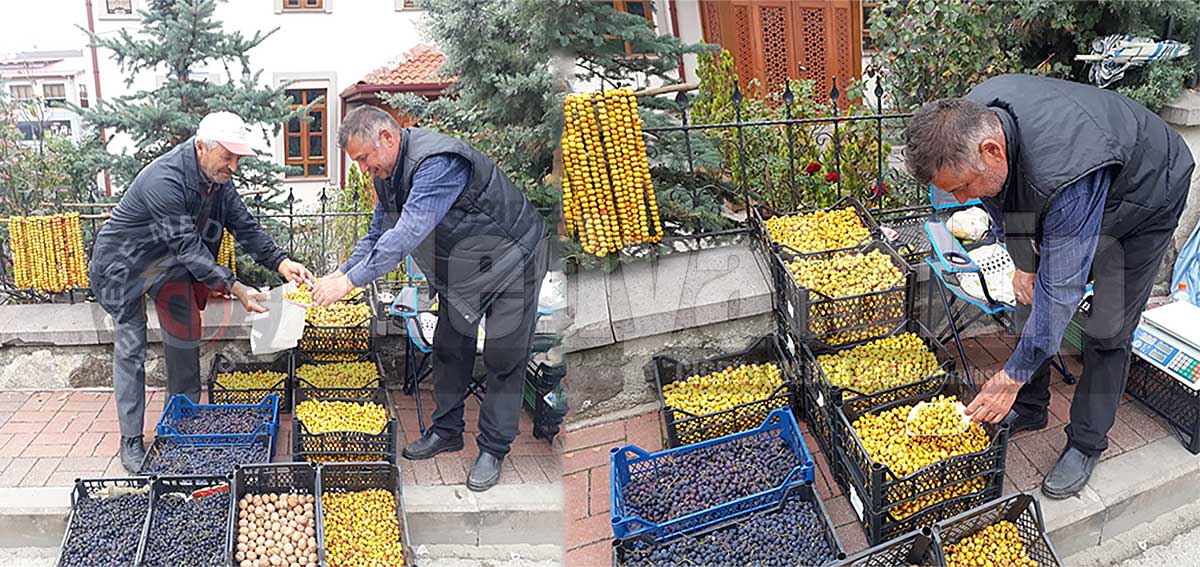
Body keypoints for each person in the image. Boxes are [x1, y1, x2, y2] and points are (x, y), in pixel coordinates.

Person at [905, 74, 1193, 498]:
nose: (962, 197)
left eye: (962, 188)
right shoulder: (971, 121)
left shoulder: (1066, 178)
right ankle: (1030, 405)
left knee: (1107, 328)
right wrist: (1024, 264)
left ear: (991, 151)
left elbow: (1062, 293)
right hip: (1086, 171)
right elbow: (1000, 199)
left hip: (1149, 193)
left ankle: (1086, 442)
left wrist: (1010, 374)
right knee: (1028, 294)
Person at [312, 106, 547, 492]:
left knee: (504, 356)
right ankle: (447, 431)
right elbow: (378, 232)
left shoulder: (438, 163)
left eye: (363, 158)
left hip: (513, 258)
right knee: (449, 346)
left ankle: (492, 448)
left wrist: (351, 283)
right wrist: (341, 273)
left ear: (386, 138)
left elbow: (408, 231)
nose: (362, 169)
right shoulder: (388, 173)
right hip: (466, 268)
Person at [90, 111, 313, 473]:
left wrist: (281, 261)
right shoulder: (164, 180)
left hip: (170, 267)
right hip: (124, 267)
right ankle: (130, 439)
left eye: (238, 158)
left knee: (184, 340)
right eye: (228, 157)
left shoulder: (219, 180)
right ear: (200, 147)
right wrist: (235, 287)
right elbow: (188, 247)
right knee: (131, 347)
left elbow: (244, 225)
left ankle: (182, 420)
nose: (234, 166)